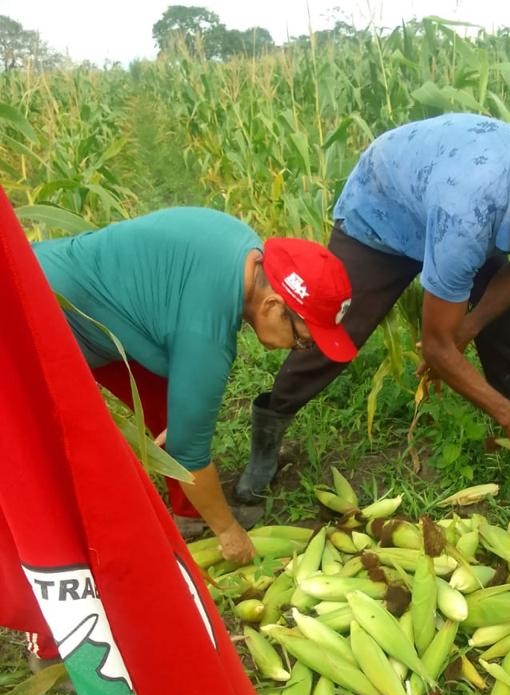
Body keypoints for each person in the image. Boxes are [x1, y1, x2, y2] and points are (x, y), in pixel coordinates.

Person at [235, 114, 510, 503]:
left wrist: (467, 328)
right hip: (384, 212)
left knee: (509, 321)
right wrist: (504, 413)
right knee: (332, 328)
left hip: (450, 197)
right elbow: (435, 346)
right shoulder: (467, 219)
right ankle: (268, 433)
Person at [34, 208, 357, 564]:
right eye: (303, 341)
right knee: (52, 456)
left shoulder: (245, 252)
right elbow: (189, 454)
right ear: (272, 305)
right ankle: (70, 559)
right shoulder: (205, 335)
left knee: (176, 402)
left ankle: (187, 515)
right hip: (34, 319)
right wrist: (228, 531)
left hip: (56, 275)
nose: (297, 349)